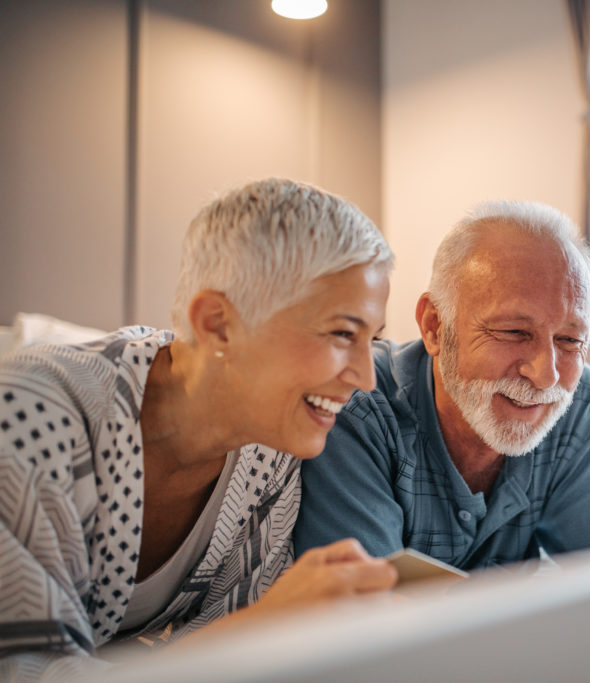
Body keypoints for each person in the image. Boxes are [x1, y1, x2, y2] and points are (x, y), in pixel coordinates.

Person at [0, 178, 398, 680]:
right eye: (343, 334)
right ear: (217, 324)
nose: (365, 378)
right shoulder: (29, 413)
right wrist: (266, 624)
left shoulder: (272, 456)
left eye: (373, 341)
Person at [296, 200, 590, 571]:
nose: (547, 376)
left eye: (569, 341)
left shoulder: (581, 406)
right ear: (434, 326)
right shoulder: (357, 407)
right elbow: (363, 617)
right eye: (514, 332)